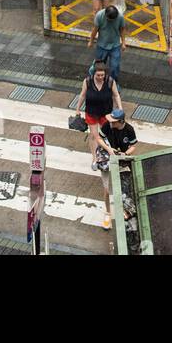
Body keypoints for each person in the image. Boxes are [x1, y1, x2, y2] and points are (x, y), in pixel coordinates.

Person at [75, 60, 120, 227]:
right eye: (98, 75)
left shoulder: (110, 82)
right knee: (94, 136)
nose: (100, 77)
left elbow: (116, 95)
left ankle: (102, 154)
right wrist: (78, 108)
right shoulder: (87, 82)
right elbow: (82, 95)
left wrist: (119, 109)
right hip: (92, 112)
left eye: (102, 75)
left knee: (105, 135)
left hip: (106, 112)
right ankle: (95, 157)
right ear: (93, 73)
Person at [89, 3, 126, 82]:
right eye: (109, 20)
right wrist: (91, 41)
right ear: (105, 15)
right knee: (98, 66)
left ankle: (113, 83)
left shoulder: (120, 17)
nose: (111, 21)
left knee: (115, 67)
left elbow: (122, 29)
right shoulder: (99, 16)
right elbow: (95, 30)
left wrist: (123, 43)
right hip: (102, 45)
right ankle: (94, 80)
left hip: (115, 45)